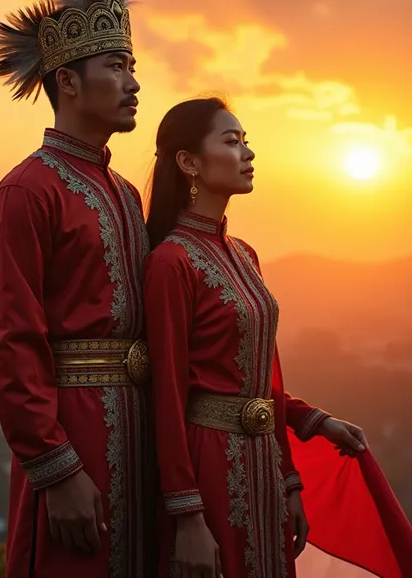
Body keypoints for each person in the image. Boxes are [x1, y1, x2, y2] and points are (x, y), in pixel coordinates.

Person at [143, 96, 412, 578]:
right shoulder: (171, 263)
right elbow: (166, 397)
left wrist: (298, 459)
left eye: (247, 141)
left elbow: (264, 379)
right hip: (209, 465)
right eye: (232, 141)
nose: (248, 153)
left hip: (264, 463)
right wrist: (187, 516)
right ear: (189, 163)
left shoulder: (244, 255)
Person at [0, 0, 154, 578]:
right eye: (117, 65)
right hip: (73, 437)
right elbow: (6, 343)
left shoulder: (128, 193)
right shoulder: (27, 191)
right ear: (69, 81)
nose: (135, 80)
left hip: (140, 437)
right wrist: (56, 469)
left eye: (134, 65)